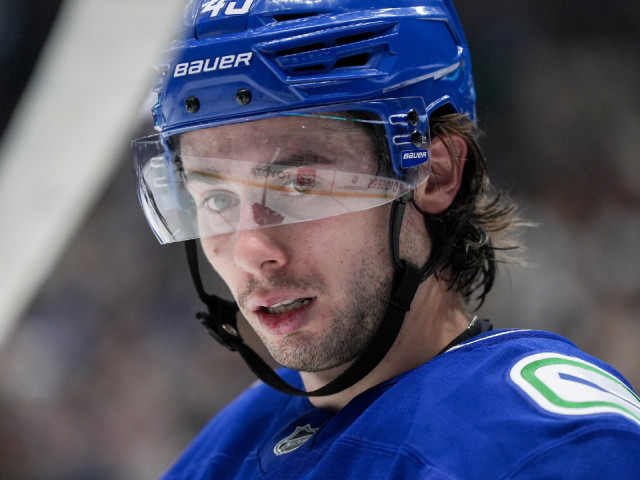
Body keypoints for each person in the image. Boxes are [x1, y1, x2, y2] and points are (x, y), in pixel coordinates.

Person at [132, 0, 640, 478]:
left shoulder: (550, 449)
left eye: (300, 185)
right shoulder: (226, 447)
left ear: (436, 175)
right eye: (217, 199)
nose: (250, 251)